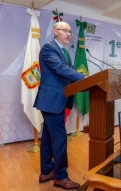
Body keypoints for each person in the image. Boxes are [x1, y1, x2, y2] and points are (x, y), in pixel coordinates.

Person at [34, 22, 85, 190]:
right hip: (51, 101)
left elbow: (67, 71)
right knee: (60, 140)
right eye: (65, 30)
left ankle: (47, 172)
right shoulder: (49, 49)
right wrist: (84, 79)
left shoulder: (64, 51)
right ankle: (61, 177)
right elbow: (61, 69)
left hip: (56, 101)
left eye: (70, 31)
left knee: (49, 139)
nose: (68, 34)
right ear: (55, 31)